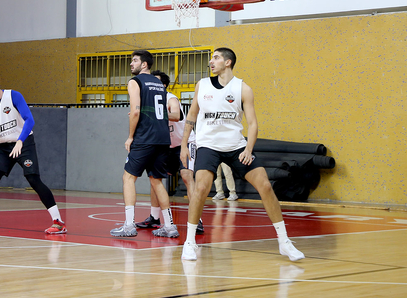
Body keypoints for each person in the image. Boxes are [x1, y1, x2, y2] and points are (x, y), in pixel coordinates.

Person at [180, 48, 304, 262]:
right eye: (212, 58)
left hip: (236, 146)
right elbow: (191, 115)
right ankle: (189, 242)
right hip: (208, 146)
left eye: (216, 58)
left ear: (228, 62)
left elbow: (253, 123)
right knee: (201, 187)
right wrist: (184, 145)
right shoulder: (202, 85)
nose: (211, 61)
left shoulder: (243, 88)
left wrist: (248, 149)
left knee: (265, 185)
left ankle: (284, 242)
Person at [0, 71, 66, 235]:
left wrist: (20, 141)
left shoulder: (13, 96)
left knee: (33, 180)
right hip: (2, 147)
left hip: (23, 143)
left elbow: (30, 120)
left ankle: (58, 222)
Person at [110, 51, 178, 239]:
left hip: (145, 137)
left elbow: (136, 111)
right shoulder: (159, 83)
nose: (131, 64)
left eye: (135, 61)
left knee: (128, 178)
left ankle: (129, 225)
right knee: (156, 181)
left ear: (145, 64)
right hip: (163, 138)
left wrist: (130, 136)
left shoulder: (135, 82)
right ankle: (170, 226)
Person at [135, 70, 203, 234]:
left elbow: (177, 114)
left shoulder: (170, 97)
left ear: (163, 85)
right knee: (154, 179)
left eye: (155, 82)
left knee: (187, 176)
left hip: (184, 144)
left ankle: (197, 219)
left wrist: (155, 113)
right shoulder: (147, 101)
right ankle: (154, 217)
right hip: (164, 145)